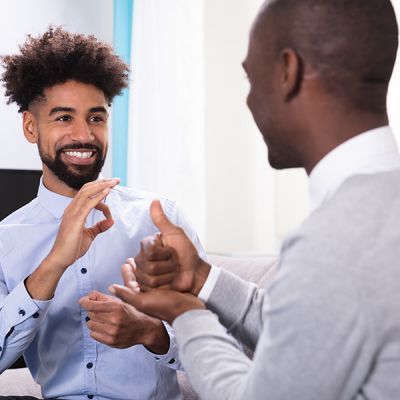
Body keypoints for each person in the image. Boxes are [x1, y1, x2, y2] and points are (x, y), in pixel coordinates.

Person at [110, 0, 400, 399]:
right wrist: (201, 278)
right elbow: (308, 335)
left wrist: (184, 311)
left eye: (251, 78)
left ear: (287, 71)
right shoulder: (380, 206)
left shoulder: (337, 238)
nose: (249, 101)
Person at [0, 27, 205, 400]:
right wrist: (54, 263)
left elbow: (219, 349)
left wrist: (151, 332)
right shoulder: (6, 237)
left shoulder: (161, 218)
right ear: (31, 127)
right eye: (63, 118)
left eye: (96, 118)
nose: (84, 134)